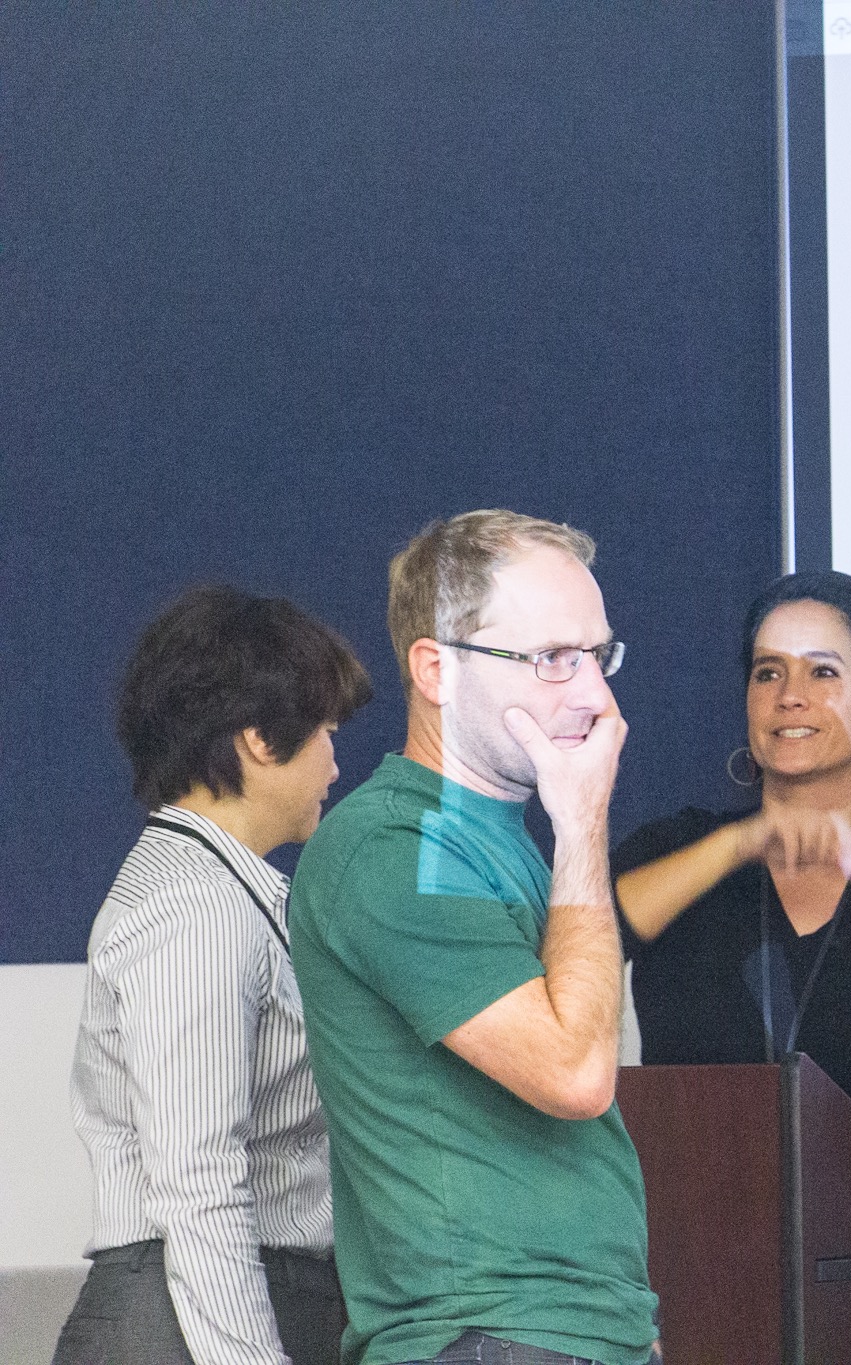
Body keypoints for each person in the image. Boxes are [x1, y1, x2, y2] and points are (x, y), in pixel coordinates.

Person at [289, 511, 657, 1365]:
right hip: (488, 1334)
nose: (597, 696)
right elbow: (574, 1072)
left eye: (599, 656)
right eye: (552, 658)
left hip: (560, 1331)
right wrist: (584, 828)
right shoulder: (396, 847)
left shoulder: (485, 837)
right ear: (436, 669)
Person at [58, 585, 371, 1365]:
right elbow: (198, 1181)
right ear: (260, 738)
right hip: (181, 1323)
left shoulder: (222, 890)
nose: (337, 760)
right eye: (328, 731)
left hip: (223, 1306)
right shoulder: (194, 909)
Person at [612, 570, 851, 1185]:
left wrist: (847, 1210)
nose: (790, 695)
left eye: (823, 671)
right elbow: (584, 945)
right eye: (768, 672)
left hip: (848, 1251)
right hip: (674, 1235)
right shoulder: (678, 852)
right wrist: (739, 845)